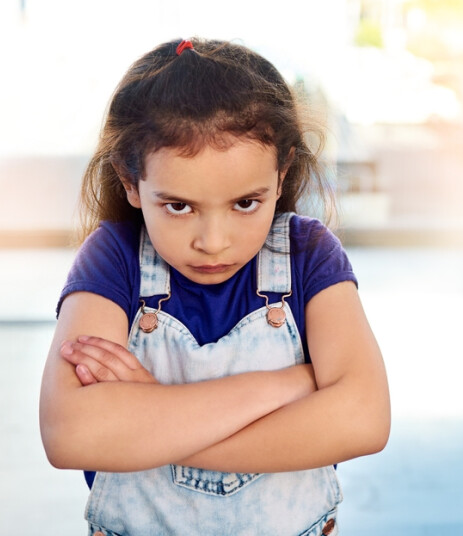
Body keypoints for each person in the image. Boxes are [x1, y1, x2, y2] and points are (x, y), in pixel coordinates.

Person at [39, 37, 391, 536]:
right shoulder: (113, 257)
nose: (213, 241)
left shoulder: (309, 255)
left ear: (282, 172)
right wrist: (290, 386)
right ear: (131, 182)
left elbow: (364, 420)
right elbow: (71, 434)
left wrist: (152, 417)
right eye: (179, 206)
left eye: (246, 202)